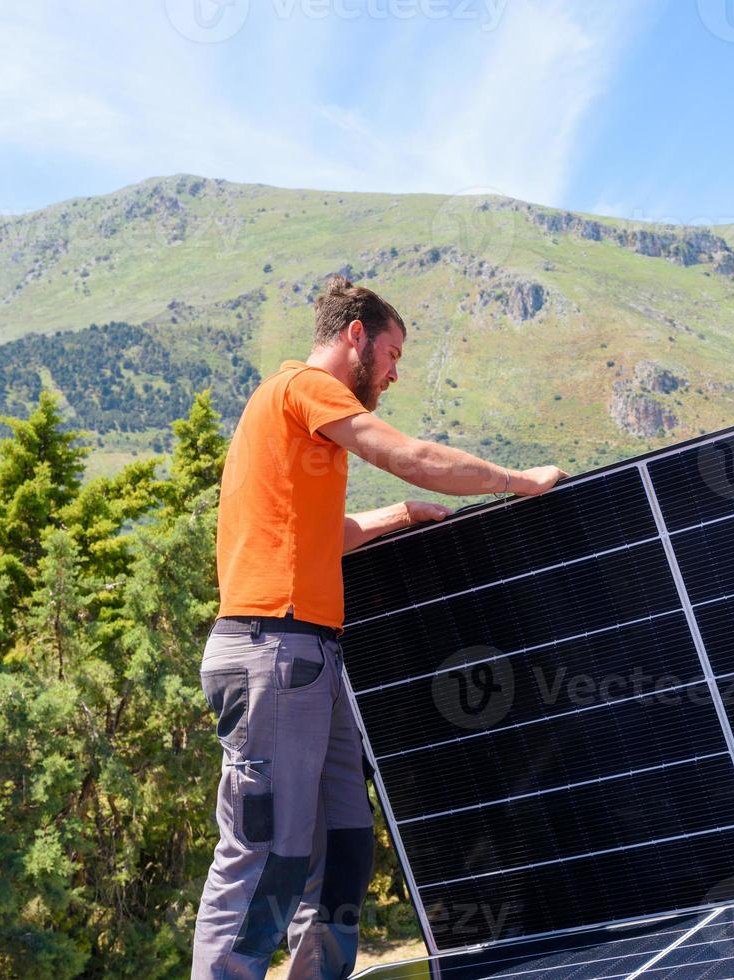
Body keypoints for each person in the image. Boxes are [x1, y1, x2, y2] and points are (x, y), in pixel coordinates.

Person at [191, 275, 566, 979]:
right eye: (392, 353)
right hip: (272, 648)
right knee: (265, 852)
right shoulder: (303, 388)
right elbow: (404, 452)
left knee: (341, 845)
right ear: (354, 335)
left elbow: (318, 536)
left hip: (308, 655)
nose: (395, 372)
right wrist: (516, 481)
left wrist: (397, 516)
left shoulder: (290, 421)